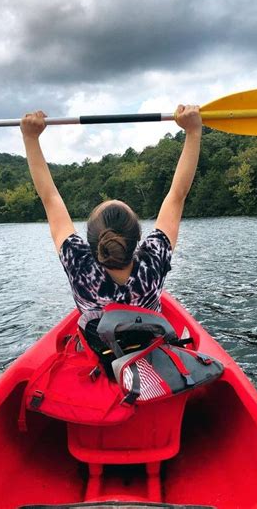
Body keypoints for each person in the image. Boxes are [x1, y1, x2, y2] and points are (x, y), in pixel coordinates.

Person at [20, 105, 202, 368]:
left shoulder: (78, 264)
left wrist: (30, 138)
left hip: (101, 360)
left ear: (92, 242)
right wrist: (193, 131)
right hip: (149, 356)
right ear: (139, 237)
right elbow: (177, 195)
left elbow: (50, 198)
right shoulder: (153, 262)